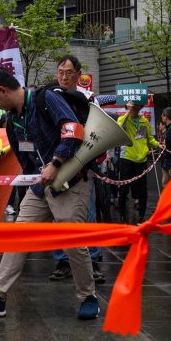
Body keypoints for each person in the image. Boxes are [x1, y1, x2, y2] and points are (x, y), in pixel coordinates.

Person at [0, 67, 100, 320]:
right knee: (18, 236)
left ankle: (88, 296)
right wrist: (30, 184)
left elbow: (72, 129)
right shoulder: (13, 120)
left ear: (3, 91)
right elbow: (24, 159)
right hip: (39, 188)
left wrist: (56, 162)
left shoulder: (45, 98)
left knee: (73, 243)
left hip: (71, 182)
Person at [50, 55, 105, 283]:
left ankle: (92, 259)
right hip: (58, 164)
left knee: (87, 214)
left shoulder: (89, 99)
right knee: (58, 216)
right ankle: (63, 260)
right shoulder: (50, 97)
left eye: (69, 72)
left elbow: (100, 131)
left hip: (83, 166)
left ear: (79, 75)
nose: (64, 76)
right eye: (61, 72)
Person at [117, 100, 161, 224]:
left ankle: (141, 217)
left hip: (141, 160)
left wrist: (158, 144)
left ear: (140, 106)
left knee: (142, 190)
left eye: (137, 105)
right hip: (126, 158)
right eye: (132, 105)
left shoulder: (144, 121)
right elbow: (119, 130)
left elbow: (149, 139)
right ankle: (122, 216)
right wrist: (128, 113)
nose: (135, 107)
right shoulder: (122, 119)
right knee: (124, 189)